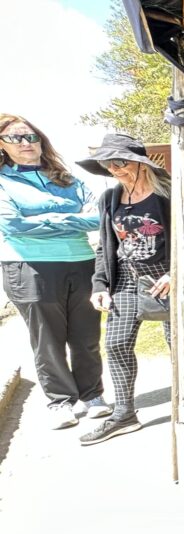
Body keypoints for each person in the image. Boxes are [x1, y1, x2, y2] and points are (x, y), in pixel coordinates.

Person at [76, 134, 184, 445]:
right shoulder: (109, 199)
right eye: (107, 164)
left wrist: (177, 274)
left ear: (139, 162)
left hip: (164, 278)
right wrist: (99, 284)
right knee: (117, 343)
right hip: (125, 278)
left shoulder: (169, 193)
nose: (114, 169)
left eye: (120, 162)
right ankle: (123, 414)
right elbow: (105, 248)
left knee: (179, 343)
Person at [0, 114, 110, 429]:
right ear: (2, 145)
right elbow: (12, 224)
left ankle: (92, 395)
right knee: (48, 339)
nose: (26, 143)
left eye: (31, 136)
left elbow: (97, 217)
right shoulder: (3, 180)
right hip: (30, 268)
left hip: (82, 263)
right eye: (16, 138)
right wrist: (70, 218)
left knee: (87, 336)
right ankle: (60, 401)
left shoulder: (66, 177)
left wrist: (43, 219)